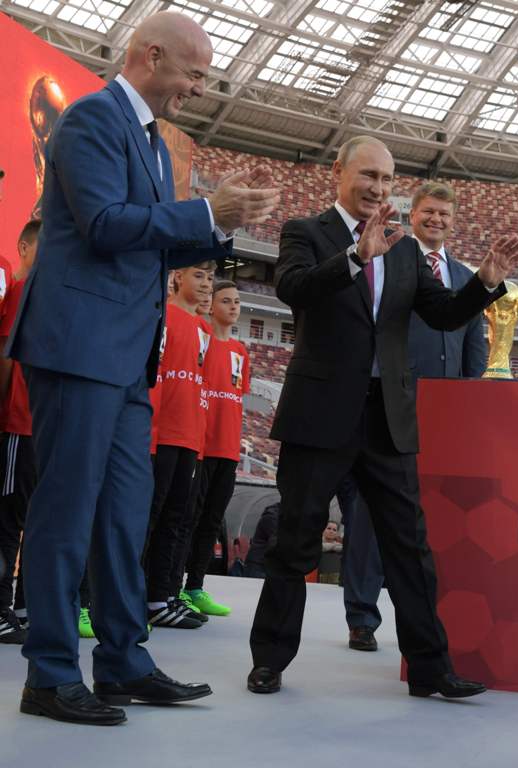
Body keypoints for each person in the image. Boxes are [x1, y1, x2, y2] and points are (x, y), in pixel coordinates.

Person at [7, 11, 279, 725]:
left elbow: (151, 248)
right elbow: (104, 226)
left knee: (124, 515)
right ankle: (50, 673)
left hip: (128, 359)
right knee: (65, 513)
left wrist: (220, 222)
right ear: (149, 55)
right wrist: (202, 211)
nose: (195, 89)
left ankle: (123, 659)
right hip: (77, 345)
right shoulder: (92, 120)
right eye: (192, 73)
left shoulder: (157, 146)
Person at [246, 134, 518, 699]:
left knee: (409, 547)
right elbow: (292, 288)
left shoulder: (404, 248)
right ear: (339, 173)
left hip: (387, 418)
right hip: (320, 414)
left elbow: (444, 315)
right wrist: (353, 258)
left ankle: (430, 668)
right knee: (295, 541)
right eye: (368, 175)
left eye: (387, 179)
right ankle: (269, 659)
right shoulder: (307, 231)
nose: (378, 188)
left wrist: (485, 282)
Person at [339, 181, 489, 654]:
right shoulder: (390, 258)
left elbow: (473, 341)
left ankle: (424, 621)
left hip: (447, 411)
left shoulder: (465, 275)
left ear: (453, 219)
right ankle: (362, 614)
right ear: (413, 213)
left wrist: (468, 391)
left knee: (425, 515)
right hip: (392, 402)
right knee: (370, 512)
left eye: (445, 213)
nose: (436, 220)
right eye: (428, 212)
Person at [145, 263, 214, 630]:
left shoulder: (203, 328)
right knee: (149, 519)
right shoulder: (163, 315)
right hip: (161, 434)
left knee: (175, 519)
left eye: (209, 278)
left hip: (189, 436)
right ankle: (133, 601)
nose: (206, 285)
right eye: (199, 276)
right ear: (177, 278)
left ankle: (160, 598)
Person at [178, 280, 249, 616]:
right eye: (226, 300)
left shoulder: (241, 351)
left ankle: (195, 586)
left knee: (211, 521)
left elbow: (236, 399)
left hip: (228, 450)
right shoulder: (201, 340)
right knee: (187, 518)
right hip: (201, 448)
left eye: (237, 301)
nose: (233, 307)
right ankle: (170, 586)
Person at [0, 219, 40, 645]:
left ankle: (25, 605)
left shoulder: (44, 294)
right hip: (19, 424)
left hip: (41, 426)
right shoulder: (18, 290)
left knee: (34, 519)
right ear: (25, 248)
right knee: (10, 520)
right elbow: (7, 359)